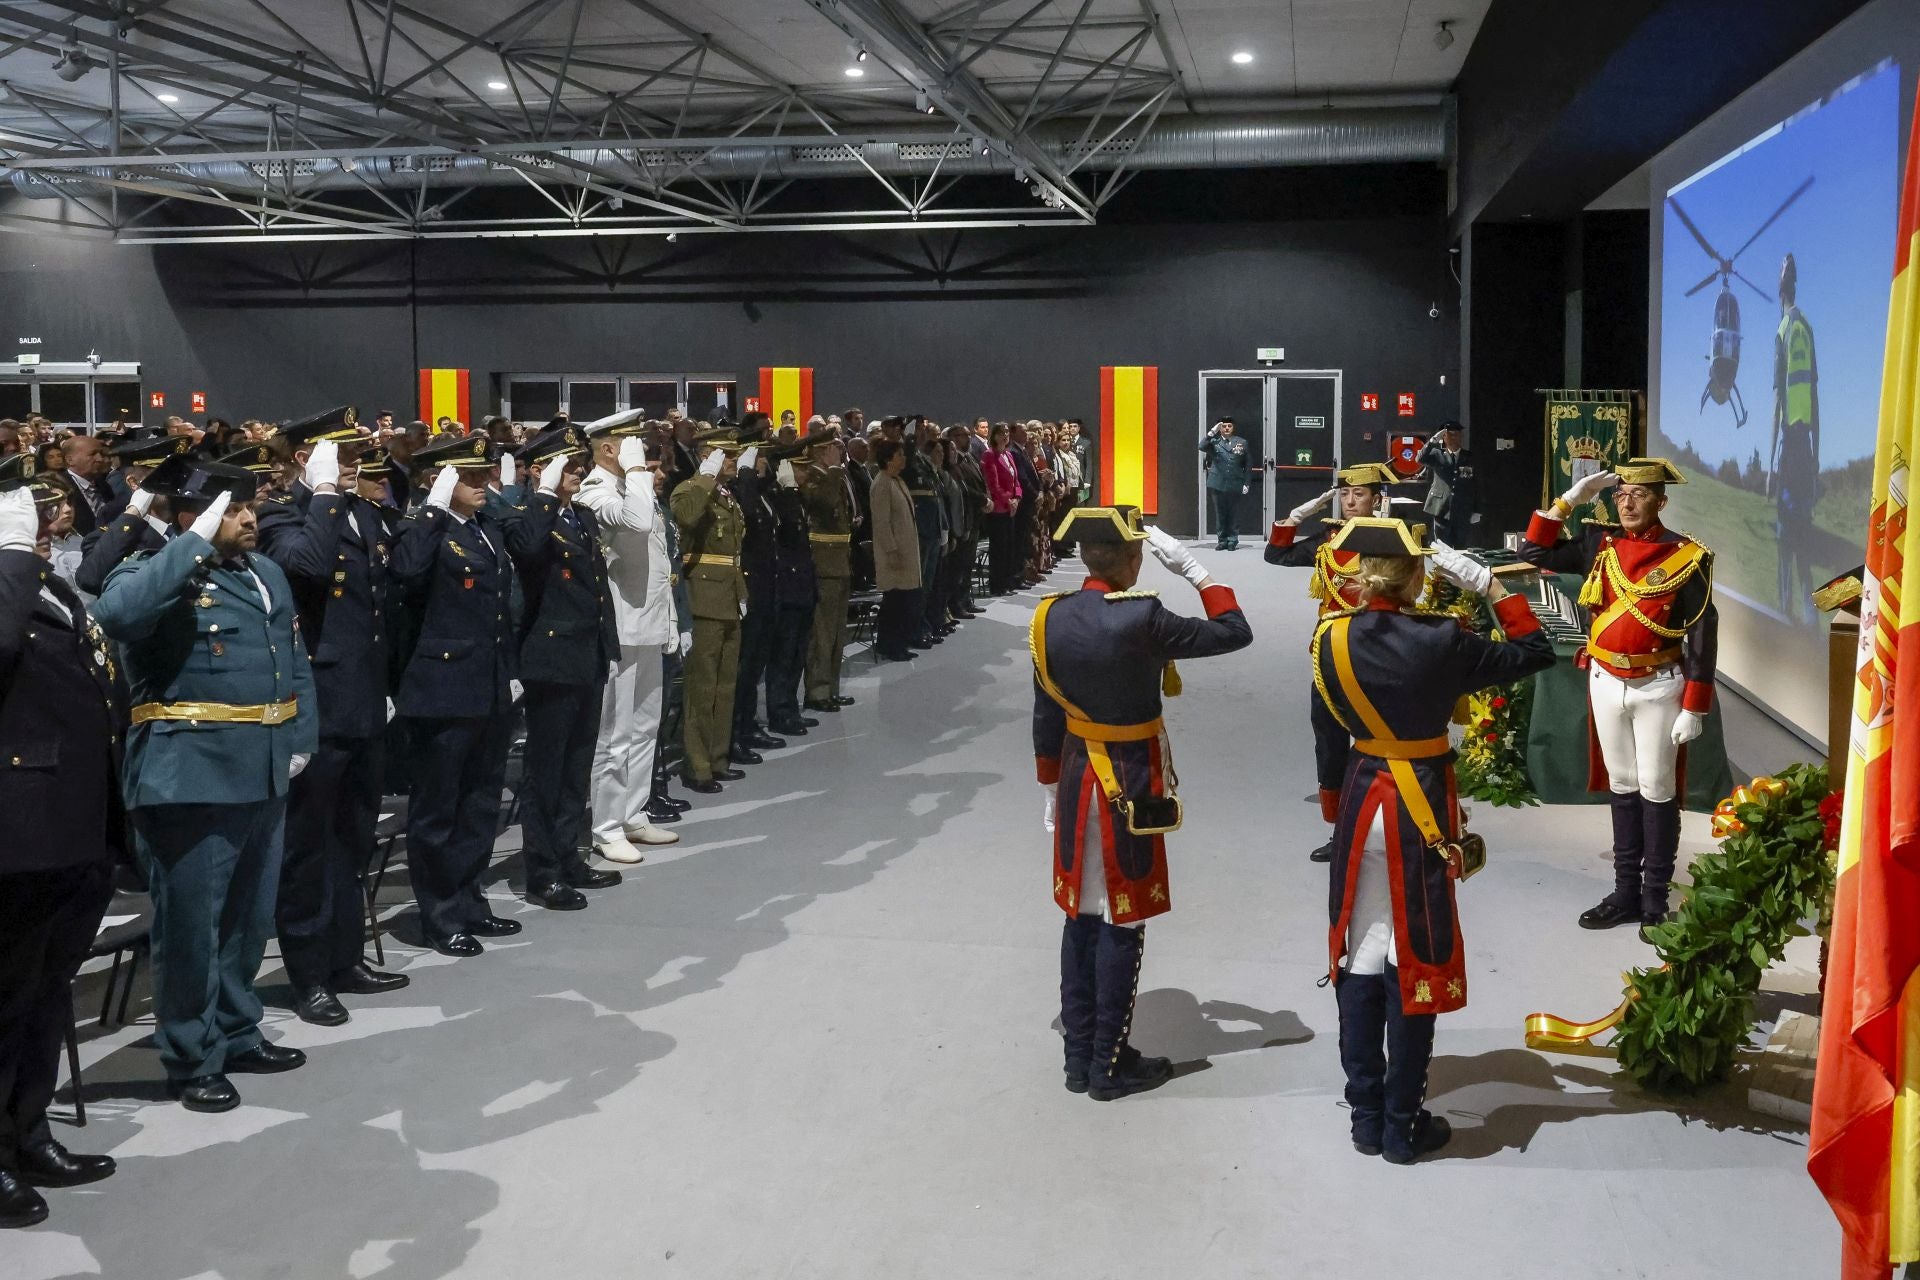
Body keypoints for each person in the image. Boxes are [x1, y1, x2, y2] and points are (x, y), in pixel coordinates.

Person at [1312, 516, 1555, 1162]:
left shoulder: (1331, 638)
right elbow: (1536, 651)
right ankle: (1401, 1122)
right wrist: (1488, 584)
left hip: (1364, 797)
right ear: (1420, 576)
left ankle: (1365, 1114)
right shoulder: (1443, 638)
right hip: (1419, 797)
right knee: (1411, 955)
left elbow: (1332, 723)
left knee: (1359, 948)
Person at [92, 455, 318, 1113]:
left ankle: (237, 1028)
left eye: (248, 507)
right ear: (195, 516)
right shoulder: (152, 572)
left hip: (263, 765)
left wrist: (299, 740)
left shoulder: (263, 572)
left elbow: (294, 662)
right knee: (192, 924)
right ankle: (191, 1055)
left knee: (250, 919)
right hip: (189, 776)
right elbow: (117, 613)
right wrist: (188, 544)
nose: (251, 520)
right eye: (235, 510)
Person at [1033, 508, 1252, 1101]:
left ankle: (1080, 1058)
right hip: (1128, 778)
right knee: (1122, 918)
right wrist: (1195, 571)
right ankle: (1107, 1066)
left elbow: (1046, 715)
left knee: (1079, 915)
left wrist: (1051, 785)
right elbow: (1235, 631)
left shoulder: (1047, 617)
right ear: (1134, 561)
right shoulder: (1144, 617)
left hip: (1080, 775)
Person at [1518, 458, 1717, 939]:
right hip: (1605, 679)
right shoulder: (1598, 542)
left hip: (1659, 684)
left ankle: (1654, 901)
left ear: (1661, 502)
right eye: (1621, 492)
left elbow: (1703, 633)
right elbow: (1534, 552)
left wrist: (1694, 704)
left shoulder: (1686, 556)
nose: (1627, 501)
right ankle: (1624, 892)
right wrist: (1568, 501)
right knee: (1623, 786)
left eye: (1640, 494)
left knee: (1657, 787)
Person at [255, 409, 410, 1025]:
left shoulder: (360, 510)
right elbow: (309, 569)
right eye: (341, 459)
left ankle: (346, 955)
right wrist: (320, 493)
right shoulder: (281, 513)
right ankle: (309, 973)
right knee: (309, 847)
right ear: (305, 460)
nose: (354, 467)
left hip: (365, 697)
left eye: (352, 458)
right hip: (319, 701)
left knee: (354, 838)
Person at [0, 462, 120, 1226]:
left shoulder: (45, 583)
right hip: (18, 831)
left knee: (47, 995)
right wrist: (9, 559)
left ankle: (29, 1130)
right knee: (5, 1000)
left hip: (74, 821)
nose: (46, 521)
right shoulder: (12, 583)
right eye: (25, 510)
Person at [388, 433, 526, 957]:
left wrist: (509, 673)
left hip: (489, 684)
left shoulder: (487, 527)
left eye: (480, 474)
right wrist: (431, 507)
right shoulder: (424, 530)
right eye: (466, 476)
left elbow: (500, 610)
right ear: (439, 479)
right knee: (438, 808)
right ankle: (438, 913)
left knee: (480, 802)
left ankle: (470, 898)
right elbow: (405, 571)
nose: (480, 483)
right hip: (442, 689)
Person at [504, 423, 632, 909]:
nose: (577, 472)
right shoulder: (525, 515)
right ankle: (542, 870)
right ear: (541, 469)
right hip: (550, 657)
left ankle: (568, 853)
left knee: (577, 765)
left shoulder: (579, 515)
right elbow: (528, 551)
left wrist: (608, 646)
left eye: (578, 464)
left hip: (586, 654)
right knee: (546, 770)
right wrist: (542, 494)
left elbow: (595, 588)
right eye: (567, 465)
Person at [1266, 462, 1399, 864]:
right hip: (1331, 657)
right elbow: (1278, 555)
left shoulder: (1393, 539)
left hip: (1380, 654)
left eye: (1359, 495)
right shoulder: (1329, 539)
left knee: (1383, 740)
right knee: (1328, 739)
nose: (1350, 501)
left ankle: (1394, 821)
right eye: (1345, 494)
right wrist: (1293, 518)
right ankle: (1340, 828)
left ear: (1377, 499)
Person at [574, 409, 681, 862]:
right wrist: (637, 470)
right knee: (613, 733)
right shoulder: (593, 490)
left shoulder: (630, 487)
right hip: (619, 625)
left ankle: (634, 814)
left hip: (649, 621)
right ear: (609, 448)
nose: (642, 451)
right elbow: (636, 523)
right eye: (631, 443)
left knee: (644, 726)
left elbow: (659, 559)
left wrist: (671, 620)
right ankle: (606, 825)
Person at [671, 427, 750, 794]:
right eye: (727, 456)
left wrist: (741, 592)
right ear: (710, 457)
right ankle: (697, 765)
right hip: (702, 600)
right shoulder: (692, 490)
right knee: (702, 690)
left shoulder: (726, 495)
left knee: (725, 686)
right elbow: (685, 519)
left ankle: (718, 758)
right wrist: (704, 475)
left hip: (728, 599)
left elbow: (733, 554)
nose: (733, 462)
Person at [727, 417, 784, 764]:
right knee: (744, 666)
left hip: (766, 585)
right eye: (759, 456)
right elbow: (747, 517)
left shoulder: (761, 492)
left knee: (756, 663)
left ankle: (748, 724)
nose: (766, 462)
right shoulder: (740, 490)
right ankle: (736, 732)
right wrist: (747, 475)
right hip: (749, 585)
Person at [75, 435, 195, 594]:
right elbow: (90, 579)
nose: (178, 483)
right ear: (134, 483)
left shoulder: (196, 524)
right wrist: (133, 513)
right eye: (166, 475)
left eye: (183, 475)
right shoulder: (112, 538)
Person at [1771, 253, 1820, 624]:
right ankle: (1809, 614)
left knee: (1785, 533)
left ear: (1781, 286)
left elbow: (1778, 401)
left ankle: (1787, 612)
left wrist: (1772, 462)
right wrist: (1817, 457)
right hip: (1807, 447)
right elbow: (1814, 397)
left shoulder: (1784, 330)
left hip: (1789, 446)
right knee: (1803, 531)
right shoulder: (1807, 328)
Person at [797, 432, 857, 715]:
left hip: (840, 561)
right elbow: (825, 502)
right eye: (833, 448)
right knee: (822, 632)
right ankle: (817, 690)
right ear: (821, 452)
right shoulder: (813, 478)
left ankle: (831, 687)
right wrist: (833, 469)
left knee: (836, 632)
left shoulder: (833, 476)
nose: (839, 451)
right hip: (822, 563)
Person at [763, 438, 818, 738]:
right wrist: (790, 492)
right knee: (783, 654)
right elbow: (793, 531)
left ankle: (790, 706)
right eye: (801, 468)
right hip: (786, 585)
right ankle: (779, 711)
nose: (806, 474)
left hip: (801, 583)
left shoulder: (794, 496)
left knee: (797, 652)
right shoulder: (780, 496)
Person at [869, 438, 921, 662]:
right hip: (895, 554)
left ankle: (898, 642)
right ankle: (890, 644)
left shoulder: (896, 480)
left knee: (902, 601)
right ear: (889, 458)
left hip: (905, 551)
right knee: (895, 602)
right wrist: (891, 551)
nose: (904, 458)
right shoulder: (882, 483)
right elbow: (881, 522)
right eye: (900, 454)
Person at [1417, 420, 1477, 546]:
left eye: (1457, 434)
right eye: (1450, 434)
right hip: (1441, 508)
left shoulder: (1469, 457)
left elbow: (1475, 485)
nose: (1454, 437)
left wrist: (1477, 510)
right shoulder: (1437, 455)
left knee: (1462, 549)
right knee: (1442, 548)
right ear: (1443, 437)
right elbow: (1420, 458)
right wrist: (1433, 440)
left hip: (1462, 510)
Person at [1198, 418, 1252, 550]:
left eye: (1229, 426)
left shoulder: (1241, 442)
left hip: (1235, 482)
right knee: (1220, 513)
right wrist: (1212, 431)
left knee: (1233, 513)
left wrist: (1247, 483)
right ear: (1220, 428)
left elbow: (1248, 464)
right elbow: (1201, 446)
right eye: (1224, 426)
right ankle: (1222, 540)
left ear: (1233, 428)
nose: (1227, 428)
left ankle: (1232, 540)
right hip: (1218, 483)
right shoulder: (1214, 442)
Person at [982, 423, 1022, 595]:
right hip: (999, 509)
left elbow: (1016, 481)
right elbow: (993, 484)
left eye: (1007, 432)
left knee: (1009, 547)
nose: (1005, 435)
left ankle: (1007, 581)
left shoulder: (1009, 454)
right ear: (994, 435)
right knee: (999, 548)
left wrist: (1017, 498)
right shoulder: (990, 455)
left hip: (1011, 508)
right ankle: (997, 584)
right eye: (1001, 433)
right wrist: (1009, 501)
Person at [60, 432, 111, 535]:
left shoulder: (104, 485)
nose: (100, 459)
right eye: (92, 454)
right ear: (70, 460)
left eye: (101, 454)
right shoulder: (58, 488)